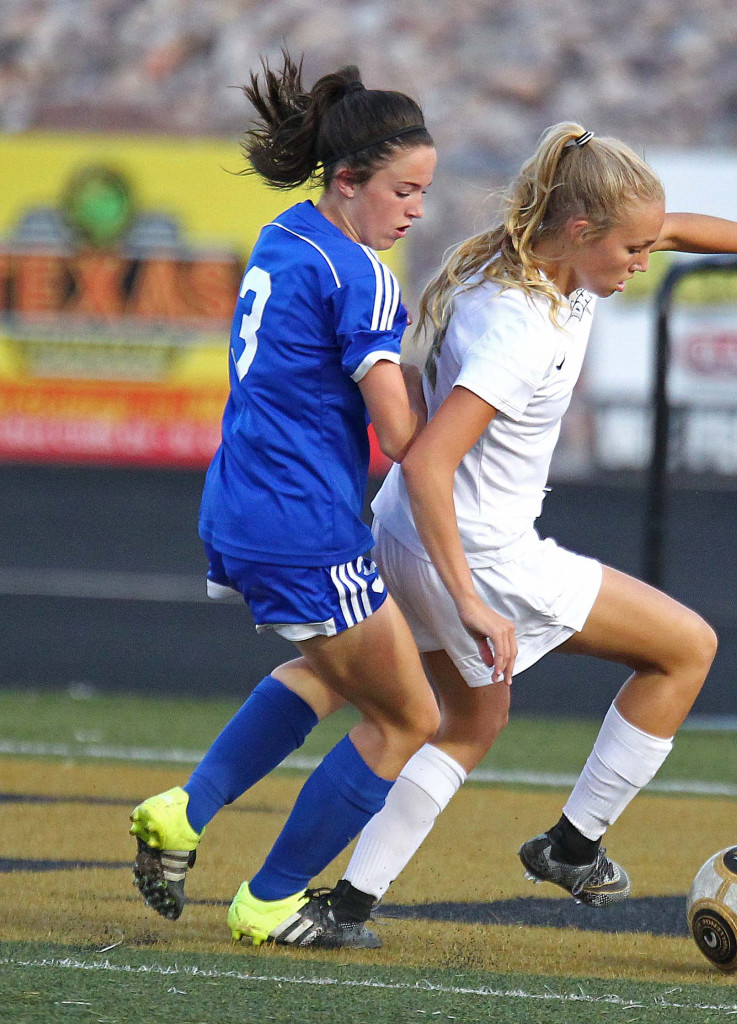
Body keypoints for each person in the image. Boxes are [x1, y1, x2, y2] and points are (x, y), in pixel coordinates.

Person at [338, 123, 737, 914]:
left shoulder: (530, 256)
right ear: (579, 230)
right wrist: (467, 596)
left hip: (404, 532)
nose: (643, 262)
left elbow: (679, 227)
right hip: (473, 551)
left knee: (467, 721)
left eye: (644, 247)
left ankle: (350, 902)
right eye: (632, 251)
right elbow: (426, 461)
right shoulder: (522, 330)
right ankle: (574, 846)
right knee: (685, 649)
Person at [128, 52, 442, 949]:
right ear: (349, 181)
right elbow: (402, 438)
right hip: (303, 522)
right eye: (404, 191)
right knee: (409, 715)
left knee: (327, 675)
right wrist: (468, 406)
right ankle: (270, 899)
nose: (415, 209)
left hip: (240, 503)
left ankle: (184, 814)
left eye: (423, 192)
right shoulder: (364, 277)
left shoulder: (285, 234)